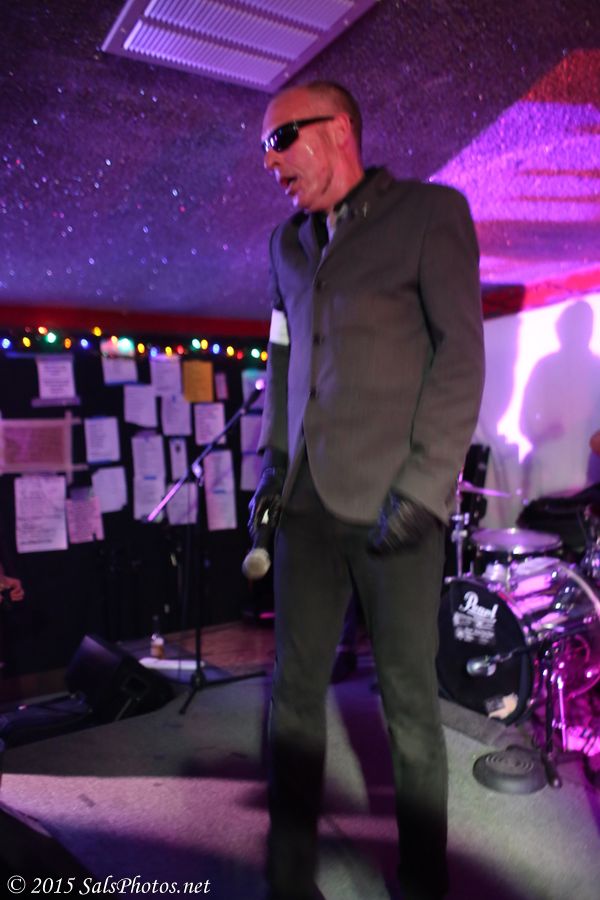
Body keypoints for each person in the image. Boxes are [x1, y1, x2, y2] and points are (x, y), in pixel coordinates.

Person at [249, 81, 485, 900]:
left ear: (340, 128)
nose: (270, 162)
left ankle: (422, 884)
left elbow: (460, 357)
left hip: (397, 507)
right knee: (292, 695)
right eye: (264, 149)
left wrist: (423, 488)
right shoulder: (285, 247)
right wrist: (273, 467)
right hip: (307, 506)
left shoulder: (431, 215)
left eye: (280, 140)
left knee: (409, 710)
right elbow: (283, 360)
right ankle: (289, 878)